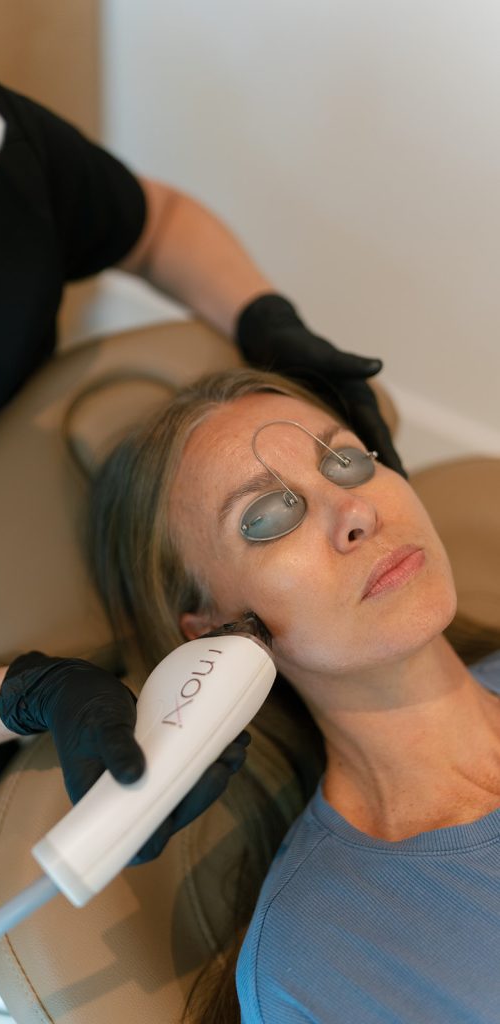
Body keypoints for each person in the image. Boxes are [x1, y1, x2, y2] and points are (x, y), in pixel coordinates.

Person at [0, 0, 402, 1012]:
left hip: (41, 529)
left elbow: (155, 223)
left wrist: (264, 320)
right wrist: (23, 696)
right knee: (76, 886)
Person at [91, 367, 500, 1024]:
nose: (356, 513)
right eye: (267, 517)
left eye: (346, 461)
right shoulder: (316, 960)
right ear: (216, 631)